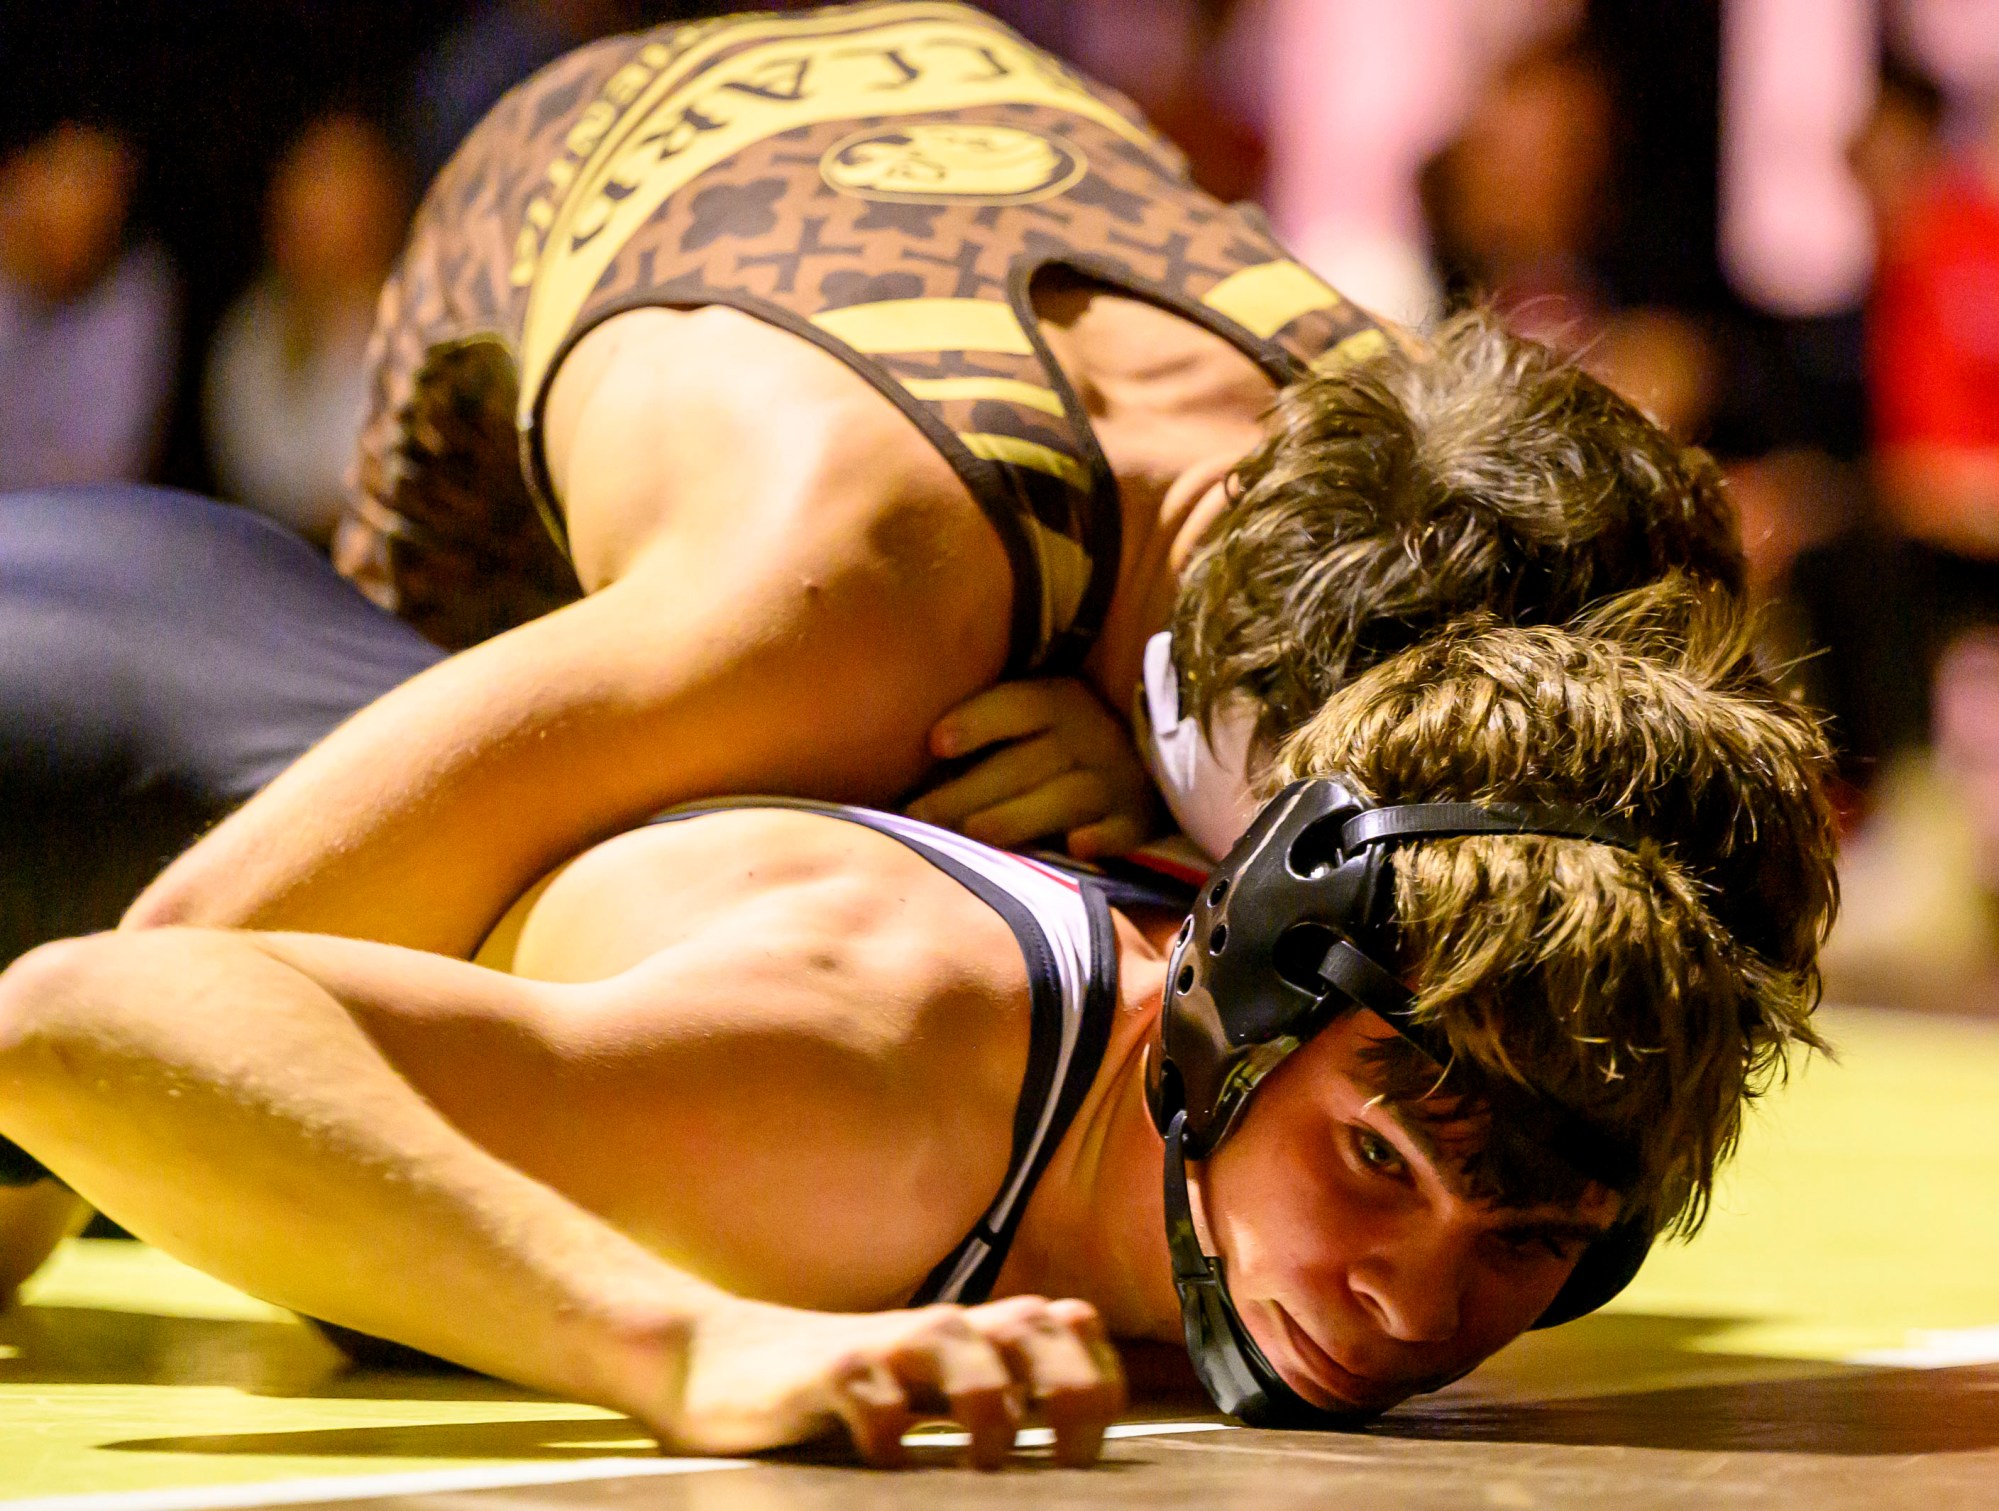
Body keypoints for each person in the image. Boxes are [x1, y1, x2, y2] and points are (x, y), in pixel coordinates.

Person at [0, 577, 1837, 1465]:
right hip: (59, 737)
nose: (1412, 1307)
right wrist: (680, 1344)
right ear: (1230, 1007)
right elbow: (77, 1018)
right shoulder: (863, 1079)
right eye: (1374, 1155)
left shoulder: (1304, 985)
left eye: (1527, 1243)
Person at [127, 5, 1743, 966]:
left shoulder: (1419, 436)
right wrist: (657, 1339)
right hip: (545, 215)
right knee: (593, 920)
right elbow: (167, 965)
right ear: (1201, 730)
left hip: (937, 87)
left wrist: (1141, 781)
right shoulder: (835, 573)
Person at [205, 116, 409, 547]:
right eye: (310, 177)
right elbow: (258, 480)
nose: (318, 203)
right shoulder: (252, 334)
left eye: (338, 177)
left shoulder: (421, 318)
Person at [0, 120, 177, 490]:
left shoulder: (134, 296)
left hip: (58, 529)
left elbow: (101, 470)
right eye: (64, 179)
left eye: (98, 191)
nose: (77, 211)